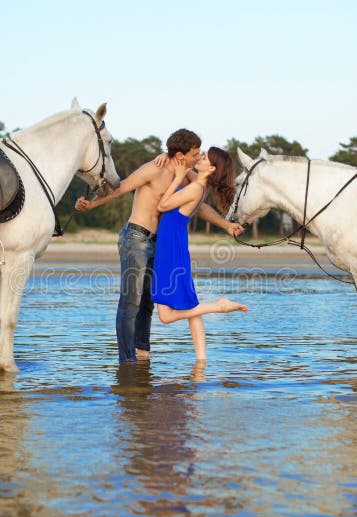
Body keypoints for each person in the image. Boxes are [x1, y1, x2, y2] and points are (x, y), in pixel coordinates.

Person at [75, 129, 243, 363]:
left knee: (148, 302)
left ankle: (142, 354)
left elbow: (200, 201)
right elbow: (121, 188)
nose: (199, 157)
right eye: (196, 153)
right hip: (136, 238)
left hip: (160, 243)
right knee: (131, 302)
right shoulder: (153, 168)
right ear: (182, 154)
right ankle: (127, 360)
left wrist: (226, 225)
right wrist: (91, 205)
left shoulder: (187, 175)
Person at [152, 147, 248, 360]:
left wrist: (177, 179)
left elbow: (162, 205)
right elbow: (182, 164)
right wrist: (166, 157)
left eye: (204, 158)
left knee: (166, 316)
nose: (200, 157)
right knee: (190, 305)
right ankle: (201, 360)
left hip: (170, 248)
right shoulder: (199, 184)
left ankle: (219, 306)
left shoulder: (196, 188)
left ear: (211, 168)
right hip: (175, 244)